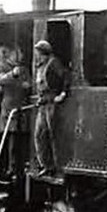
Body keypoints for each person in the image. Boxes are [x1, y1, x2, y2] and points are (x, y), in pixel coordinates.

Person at [30, 39, 69, 177]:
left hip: (52, 102)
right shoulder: (41, 65)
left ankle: (57, 166)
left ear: (42, 53)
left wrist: (63, 93)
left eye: (38, 52)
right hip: (43, 104)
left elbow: (65, 75)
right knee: (39, 135)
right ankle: (46, 165)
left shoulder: (54, 63)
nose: (36, 55)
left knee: (53, 135)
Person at [0, 45, 30, 178]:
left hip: (23, 107)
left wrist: (27, 85)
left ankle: (22, 166)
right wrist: (12, 74)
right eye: (18, 52)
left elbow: (29, 82)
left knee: (23, 138)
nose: (20, 56)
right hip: (9, 107)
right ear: (11, 54)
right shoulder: (2, 67)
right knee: (11, 139)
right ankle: (11, 168)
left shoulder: (24, 69)